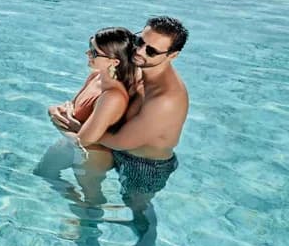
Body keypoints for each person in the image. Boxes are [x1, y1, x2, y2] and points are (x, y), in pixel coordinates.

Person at [51, 16, 190, 219]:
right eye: (140, 41)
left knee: (137, 208)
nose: (140, 51)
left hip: (144, 165)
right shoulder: (141, 67)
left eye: (151, 51)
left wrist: (77, 126)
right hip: (114, 145)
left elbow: (119, 142)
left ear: (172, 55)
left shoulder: (164, 99)